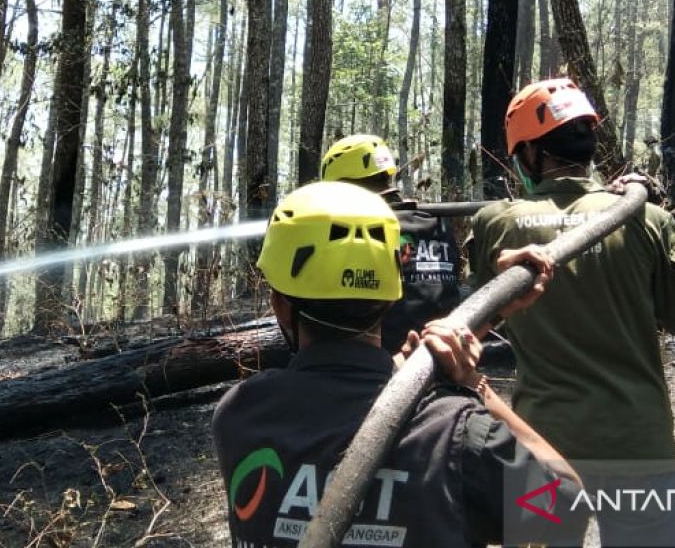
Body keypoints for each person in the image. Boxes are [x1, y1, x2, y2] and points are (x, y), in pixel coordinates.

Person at [213, 180, 585, 548]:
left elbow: (339, 412)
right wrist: (474, 387)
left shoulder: (240, 414)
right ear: (391, 298)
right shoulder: (458, 436)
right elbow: (568, 509)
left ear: (280, 306)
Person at [469, 78, 675, 547]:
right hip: (641, 447)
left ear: (529, 155)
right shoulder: (643, 217)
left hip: (542, 450)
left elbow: (483, 311)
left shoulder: (495, 223)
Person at [320, 134, 462, 352]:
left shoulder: (364, 229)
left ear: (343, 186)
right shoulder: (436, 220)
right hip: (451, 354)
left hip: (389, 369)